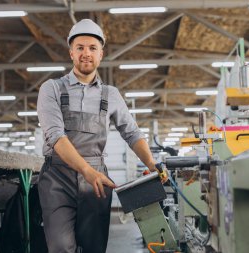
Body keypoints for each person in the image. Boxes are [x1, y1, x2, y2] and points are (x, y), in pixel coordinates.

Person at [36, 19, 166, 253]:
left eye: (92, 48)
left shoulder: (111, 94)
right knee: (60, 246)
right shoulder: (51, 89)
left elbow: (132, 132)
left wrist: (151, 163)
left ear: (101, 54)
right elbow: (56, 136)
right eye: (80, 47)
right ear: (71, 53)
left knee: (94, 247)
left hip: (96, 182)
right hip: (57, 178)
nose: (86, 53)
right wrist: (86, 171)